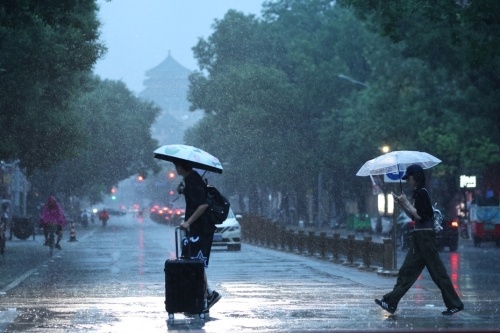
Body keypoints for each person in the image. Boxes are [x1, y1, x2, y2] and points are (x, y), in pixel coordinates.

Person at [375, 164, 464, 316]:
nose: (408, 181)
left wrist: (406, 202)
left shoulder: (423, 193)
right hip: (418, 237)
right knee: (406, 272)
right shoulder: (418, 194)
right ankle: (390, 302)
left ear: (415, 177)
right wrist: (402, 203)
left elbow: (422, 215)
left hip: (426, 238)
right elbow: (413, 216)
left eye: (409, 177)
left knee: (438, 273)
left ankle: (455, 304)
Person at [174, 161, 221, 313]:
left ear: (181, 167)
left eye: (176, 166)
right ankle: (206, 295)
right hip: (196, 230)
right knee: (194, 263)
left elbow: (203, 205)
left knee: (196, 263)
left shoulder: (194, 180)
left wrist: (188, 222)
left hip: (201, 229)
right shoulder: (191, 180)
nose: (176, 169)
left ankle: (206, 297)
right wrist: (183, 190)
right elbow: (195, 199)